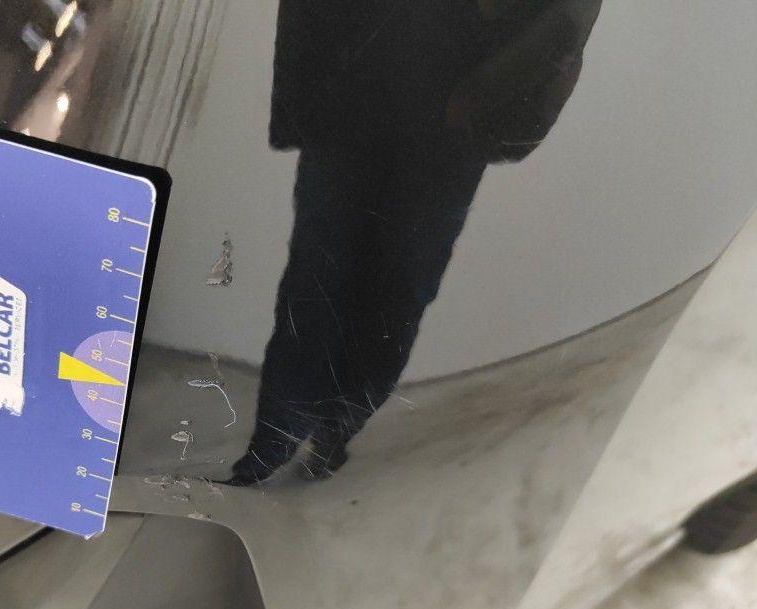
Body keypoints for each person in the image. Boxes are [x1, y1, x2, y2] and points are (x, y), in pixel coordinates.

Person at [230, 0, 602, 485]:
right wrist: (297, 99)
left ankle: (334, 427)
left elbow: (566, 23)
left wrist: (485, 105)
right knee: (318, 272)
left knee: (398, 290)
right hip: (352, 90)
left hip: (450, 123)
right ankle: (273, 441)